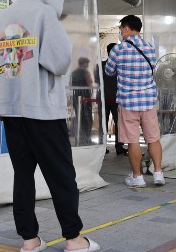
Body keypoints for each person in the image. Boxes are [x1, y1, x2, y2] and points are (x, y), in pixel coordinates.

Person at [0, 0, 100, 252]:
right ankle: (73, 238)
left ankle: (29, 239)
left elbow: (1, 63)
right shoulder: (44, 14)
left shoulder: (3, 16)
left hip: (10, 108)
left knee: (23, 175)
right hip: (42, 109)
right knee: (61, 174)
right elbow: (60, 61)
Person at [105, 15, 165, 187]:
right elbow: (155, 70)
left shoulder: (118, 49)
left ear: (125, 28)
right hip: (148, 100)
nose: (120, 32)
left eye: (120, 29)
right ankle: (158, 173)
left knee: (133, 140)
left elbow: (109, 71)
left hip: (128, 101)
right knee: (153, 138)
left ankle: (137, 177)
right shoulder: (150, 48)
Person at [103, 43, 127, 156]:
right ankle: (119, 147)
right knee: (119, 124)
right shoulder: (120, 66)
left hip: (103, 99)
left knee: (103, 125)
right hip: (116, 99)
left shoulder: (101, 65)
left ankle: (102, 147)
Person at [70, 57, 94, 145]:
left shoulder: (73, 73)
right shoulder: (86, 73)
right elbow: (90, 84)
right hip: (85, 98)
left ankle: (79, 139)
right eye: (87, 63)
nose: (88, 65)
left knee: (79, 118)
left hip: (76, 98)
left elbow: (71, 85)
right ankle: (87, 140)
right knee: (87, 120)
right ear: (84, 63)